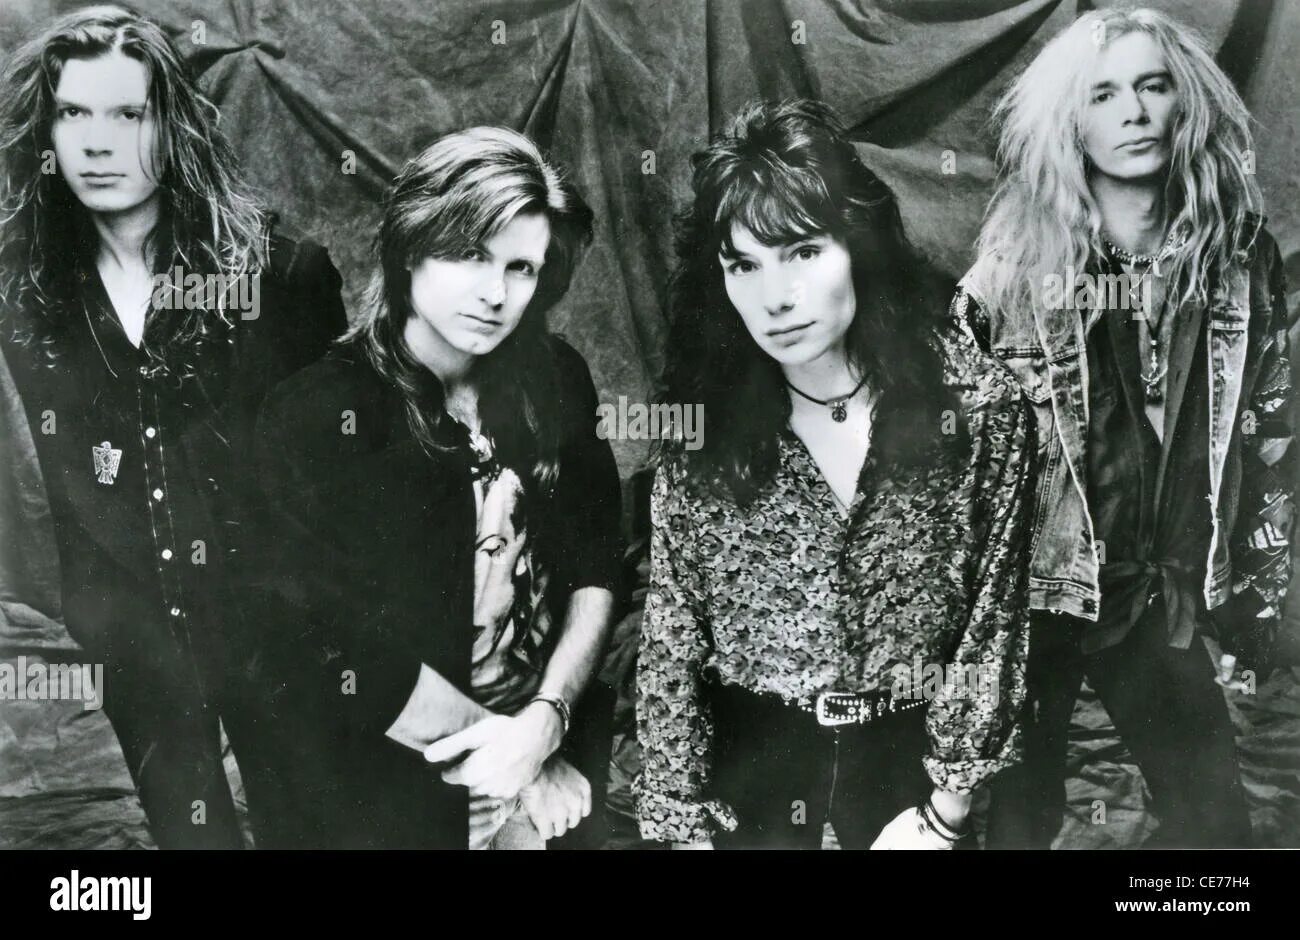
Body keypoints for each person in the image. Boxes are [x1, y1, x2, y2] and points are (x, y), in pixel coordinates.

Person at [634, 99, 1034, 850]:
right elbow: (672, 634)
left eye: (802, 252)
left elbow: (995, 621)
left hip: (909, 768)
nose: (775, 298)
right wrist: (684, 828)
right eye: (743, 265)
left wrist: (945, 815)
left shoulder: (977, 406)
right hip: (751, 776)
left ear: (859, 246)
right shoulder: (702, 429)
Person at [0, 5, 347, 848]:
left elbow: (339, 484)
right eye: (73, 113)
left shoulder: (281, 275)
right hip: (132, 636)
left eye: (129, 113)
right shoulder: (26, 289)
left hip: (277, 633)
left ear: (175, 125)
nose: (98, 143)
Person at [958, 8, 1295, 848]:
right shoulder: (1010, 274)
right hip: (1038, 596)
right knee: (1019, 824)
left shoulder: (1238, 258)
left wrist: (1252, 611)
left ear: (1186, 103)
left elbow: (1268, 437)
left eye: (1152, 87)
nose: (1135, 113)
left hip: (1158, 594)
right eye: (1103, 95)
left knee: (1215, 832)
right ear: (1071, 123)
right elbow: (953, 469)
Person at [247, 126, 623, 849]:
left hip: (547, 754)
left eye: (520, 267)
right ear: (411, 248)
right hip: (392, 784)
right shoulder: (315, 415)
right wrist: (521, 766)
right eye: (471, 255)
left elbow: (596, 563)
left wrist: (546, 721)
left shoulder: (557, 377)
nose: (495, 294)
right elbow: (334, 651)